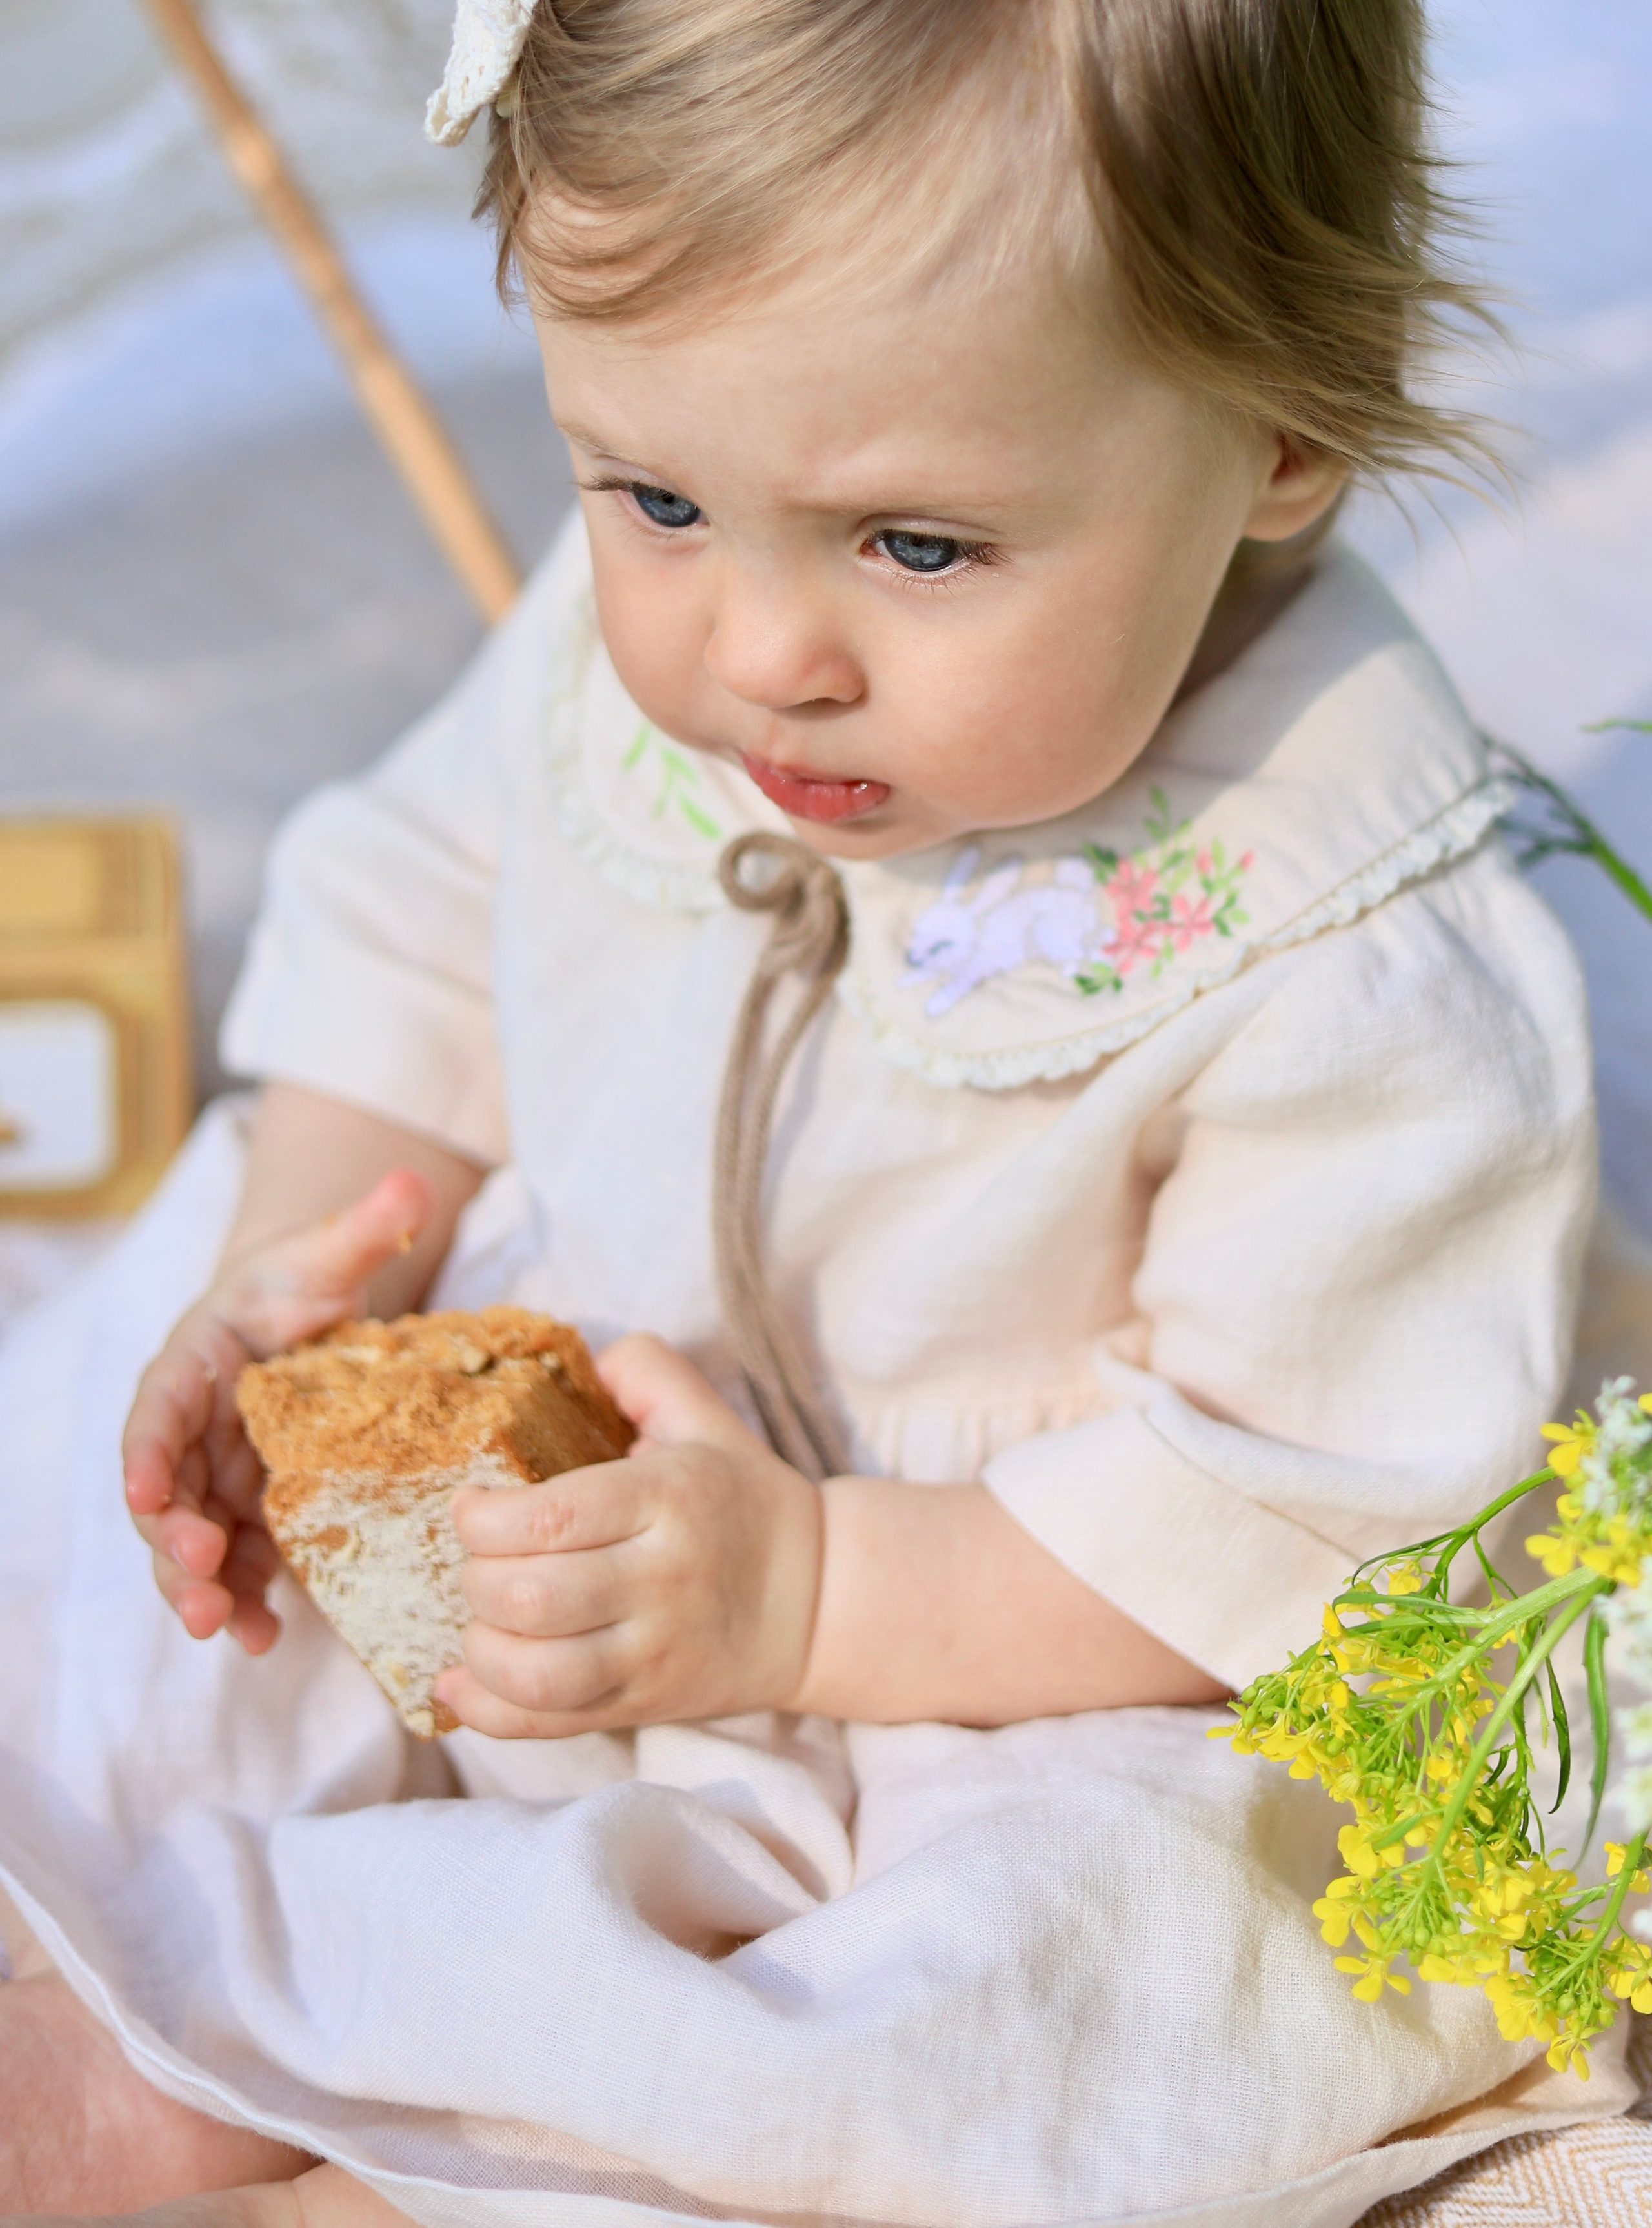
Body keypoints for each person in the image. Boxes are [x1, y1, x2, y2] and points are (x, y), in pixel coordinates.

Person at [0, 1, 1633, 2222]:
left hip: (1024, 1648)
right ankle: (164, 1969)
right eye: (657, 492)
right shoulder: (637, 656)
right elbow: (413, 916)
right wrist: (303, 1263)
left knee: (1067, 1972)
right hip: (574, 1479)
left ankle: (377, 2071)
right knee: (144, 1609)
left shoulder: (1355, 952)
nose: (759, 651)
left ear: (1272, 433)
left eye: (919, 547)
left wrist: (818, 1595)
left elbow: (1284, 1505)